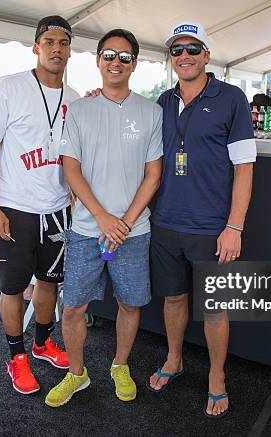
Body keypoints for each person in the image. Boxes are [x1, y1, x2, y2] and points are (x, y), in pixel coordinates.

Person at [46, 28, 162, 408]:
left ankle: (120, 365)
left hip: (133, 231)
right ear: (97, 61)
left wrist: (123, 223)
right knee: (74, 307)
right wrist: (102, 218)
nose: (116, 62)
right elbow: (71, 169)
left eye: (124, 56)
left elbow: (154, 174)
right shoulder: (78, 110)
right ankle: (76, 374)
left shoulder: (152, 111)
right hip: (86, 231)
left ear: (134, 63)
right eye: (109, 55)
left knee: (130, 305)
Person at [148, 22, 255, 419]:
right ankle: (174, 359)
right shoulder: (161, 100)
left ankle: (216, 376)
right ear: (171, 58)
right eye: (177, 50)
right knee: (173, 298)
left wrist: (235, 225)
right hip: (166, 223)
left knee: (215, 308)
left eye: (193, 48)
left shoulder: (232, 98)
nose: (185, 56)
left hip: (213, 228)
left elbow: (244, 168)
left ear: (207, 55)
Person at [0, 15, 80, 395]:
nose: (56, 48)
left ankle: (42, 344)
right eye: (49, 41)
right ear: (36, 46)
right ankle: (16, 356)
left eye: (63, 43)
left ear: (70, 50)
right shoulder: (9, 87)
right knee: (13, 288)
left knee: (50, 282)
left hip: (56, 209)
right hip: (15, 209)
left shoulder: (75, 98)